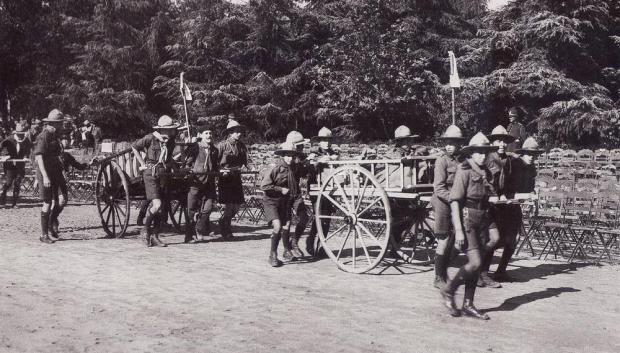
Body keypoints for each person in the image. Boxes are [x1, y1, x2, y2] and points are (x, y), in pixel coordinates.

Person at [440, 132, 498, 320]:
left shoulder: (486, 172)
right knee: (476, 263)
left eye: (485, 152)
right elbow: (455, 201)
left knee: (474, 266)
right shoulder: (463, 171)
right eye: (479, 152)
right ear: (471, 153)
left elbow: (487, 195)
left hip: (483, 218)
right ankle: (449, 290)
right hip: (467, 220)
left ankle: (468, 304)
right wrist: (458, 230)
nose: (483, 156)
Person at [491, 137, 544, 282]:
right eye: (528, 154)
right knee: (496, 240)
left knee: (513, 240)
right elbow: (503, 187)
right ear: (523, 153)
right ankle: (481, 270)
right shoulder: (513, 164)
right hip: (502, 206)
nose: (531, 157)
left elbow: (529, 188)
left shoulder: (532, 168)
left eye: (534, 155)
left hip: (515, 206)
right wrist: (521, 195)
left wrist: (531, 196)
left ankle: (500, 271)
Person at [478, 125, 518, 288]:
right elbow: (483, 182)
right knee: (491, 240)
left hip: (502, 204)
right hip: (488, 204)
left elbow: (508, 182)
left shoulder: (508, 160)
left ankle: (500, 271)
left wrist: (508, 196)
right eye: (498, 140)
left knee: (509, 238)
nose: (501, 144)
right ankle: (482, 273)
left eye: (504, 141)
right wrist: (492, 196)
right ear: (492, 142)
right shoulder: (487, 158)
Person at [132, 115, 180, 247]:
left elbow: (169, 159)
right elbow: (134, 147)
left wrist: (175, 168)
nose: (172, 131)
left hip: (164, 174)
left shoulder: (171, 142)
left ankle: (155, 236)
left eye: (172, 129)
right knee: (157, 205)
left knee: (162, 206)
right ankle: (146, 230)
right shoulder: (149, 138)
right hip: (151, 174)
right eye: (169, 129)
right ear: (162, 129)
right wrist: (142, 163)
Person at [431, 125, 466, 288]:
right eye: (447, 143)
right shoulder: (441, 161)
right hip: (443, 202)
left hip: (458, 202)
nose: (448, 146)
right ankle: (438, 277)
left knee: (461, 240)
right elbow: (438, 188)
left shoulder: (464, 160)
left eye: (452, 143)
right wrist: (453, 200)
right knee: (443, 239)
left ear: (459, 144)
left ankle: (445, 268)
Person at [260, 141, 300, 266]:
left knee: (286, 226)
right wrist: (280, 189)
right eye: (287, 155)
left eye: (293, 156)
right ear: (282, 155)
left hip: (284, 201)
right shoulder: (275, 167)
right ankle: (273, 255)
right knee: (277, 226)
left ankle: (287, 251)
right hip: (271, 201)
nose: (290, 158)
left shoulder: (293, 167)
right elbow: (264, 186)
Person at [34, 109, 69, 244]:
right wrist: (45, 176)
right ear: (53, 123)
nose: (61, 125)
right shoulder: (44, 136)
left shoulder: (55, 135)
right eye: (59, 123)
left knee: (63, 199)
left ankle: (51, 221)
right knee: (47, 202)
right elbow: (39, 157)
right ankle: (44, 235)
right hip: (46, 173)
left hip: (56, 171)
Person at [306, 127, 340, 256]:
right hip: (316, 187)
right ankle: (310, 240)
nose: (326, 143)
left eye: (328, 140)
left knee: (327, 217)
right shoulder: (314, 152)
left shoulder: (333, 153)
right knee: (319, 216)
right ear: (319, 141)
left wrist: (335, 160)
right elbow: (307, 166)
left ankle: (322, 246)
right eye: (323, 140)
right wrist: (319, 161)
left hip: (331, 187)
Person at [183, 124, 220, 243]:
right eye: (206, 133)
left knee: (208, 208)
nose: (209, 135)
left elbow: (215, 166)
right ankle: (188, 236)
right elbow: (187, 164)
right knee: (191, 211)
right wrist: (189, 171)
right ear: (201, 135)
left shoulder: (214, 150)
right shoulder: (195, 148)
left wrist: (219, 172)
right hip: (195, 182)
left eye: (210, 133)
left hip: (209, 183)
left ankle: (198, 228)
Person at [217, 118, 249, 239]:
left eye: (240, 131)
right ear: (230, 132)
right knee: (230, 205)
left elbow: (246, 162)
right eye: (236, 131)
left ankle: (223, 221)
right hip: (225, 178)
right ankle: (227, 229)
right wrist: (221, 170)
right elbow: (215, 161)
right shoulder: (222, 145)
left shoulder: (241, 146)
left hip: (236, 178)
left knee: (237, 206)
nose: (239, 134)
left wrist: (248, 168)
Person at [284, 130, 311, 258]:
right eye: (299, 146)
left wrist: (310, 163)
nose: (302, 148)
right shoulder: (286, 156)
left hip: (296, 194)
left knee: (304, 218)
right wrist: (303, 163)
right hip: (284, 195)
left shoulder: (301, 156)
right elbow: (291, 169)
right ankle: (286, 249)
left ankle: (294, 241)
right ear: (293, 145)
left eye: (302, 145)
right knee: (287, 222)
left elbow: (303, 173)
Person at [0, 123, 32, 207]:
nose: (21, 136)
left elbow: (27, 150)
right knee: (9, 182)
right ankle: (2, 198)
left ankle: (14, 203)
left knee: (17, 182)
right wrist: (5, 155)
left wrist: (26, 157)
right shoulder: (9, 139)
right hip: (10, 164)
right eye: (19, 134)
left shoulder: (26, 140)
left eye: (22, 134)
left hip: (20, 164)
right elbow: (1, 147)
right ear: (16, 133)